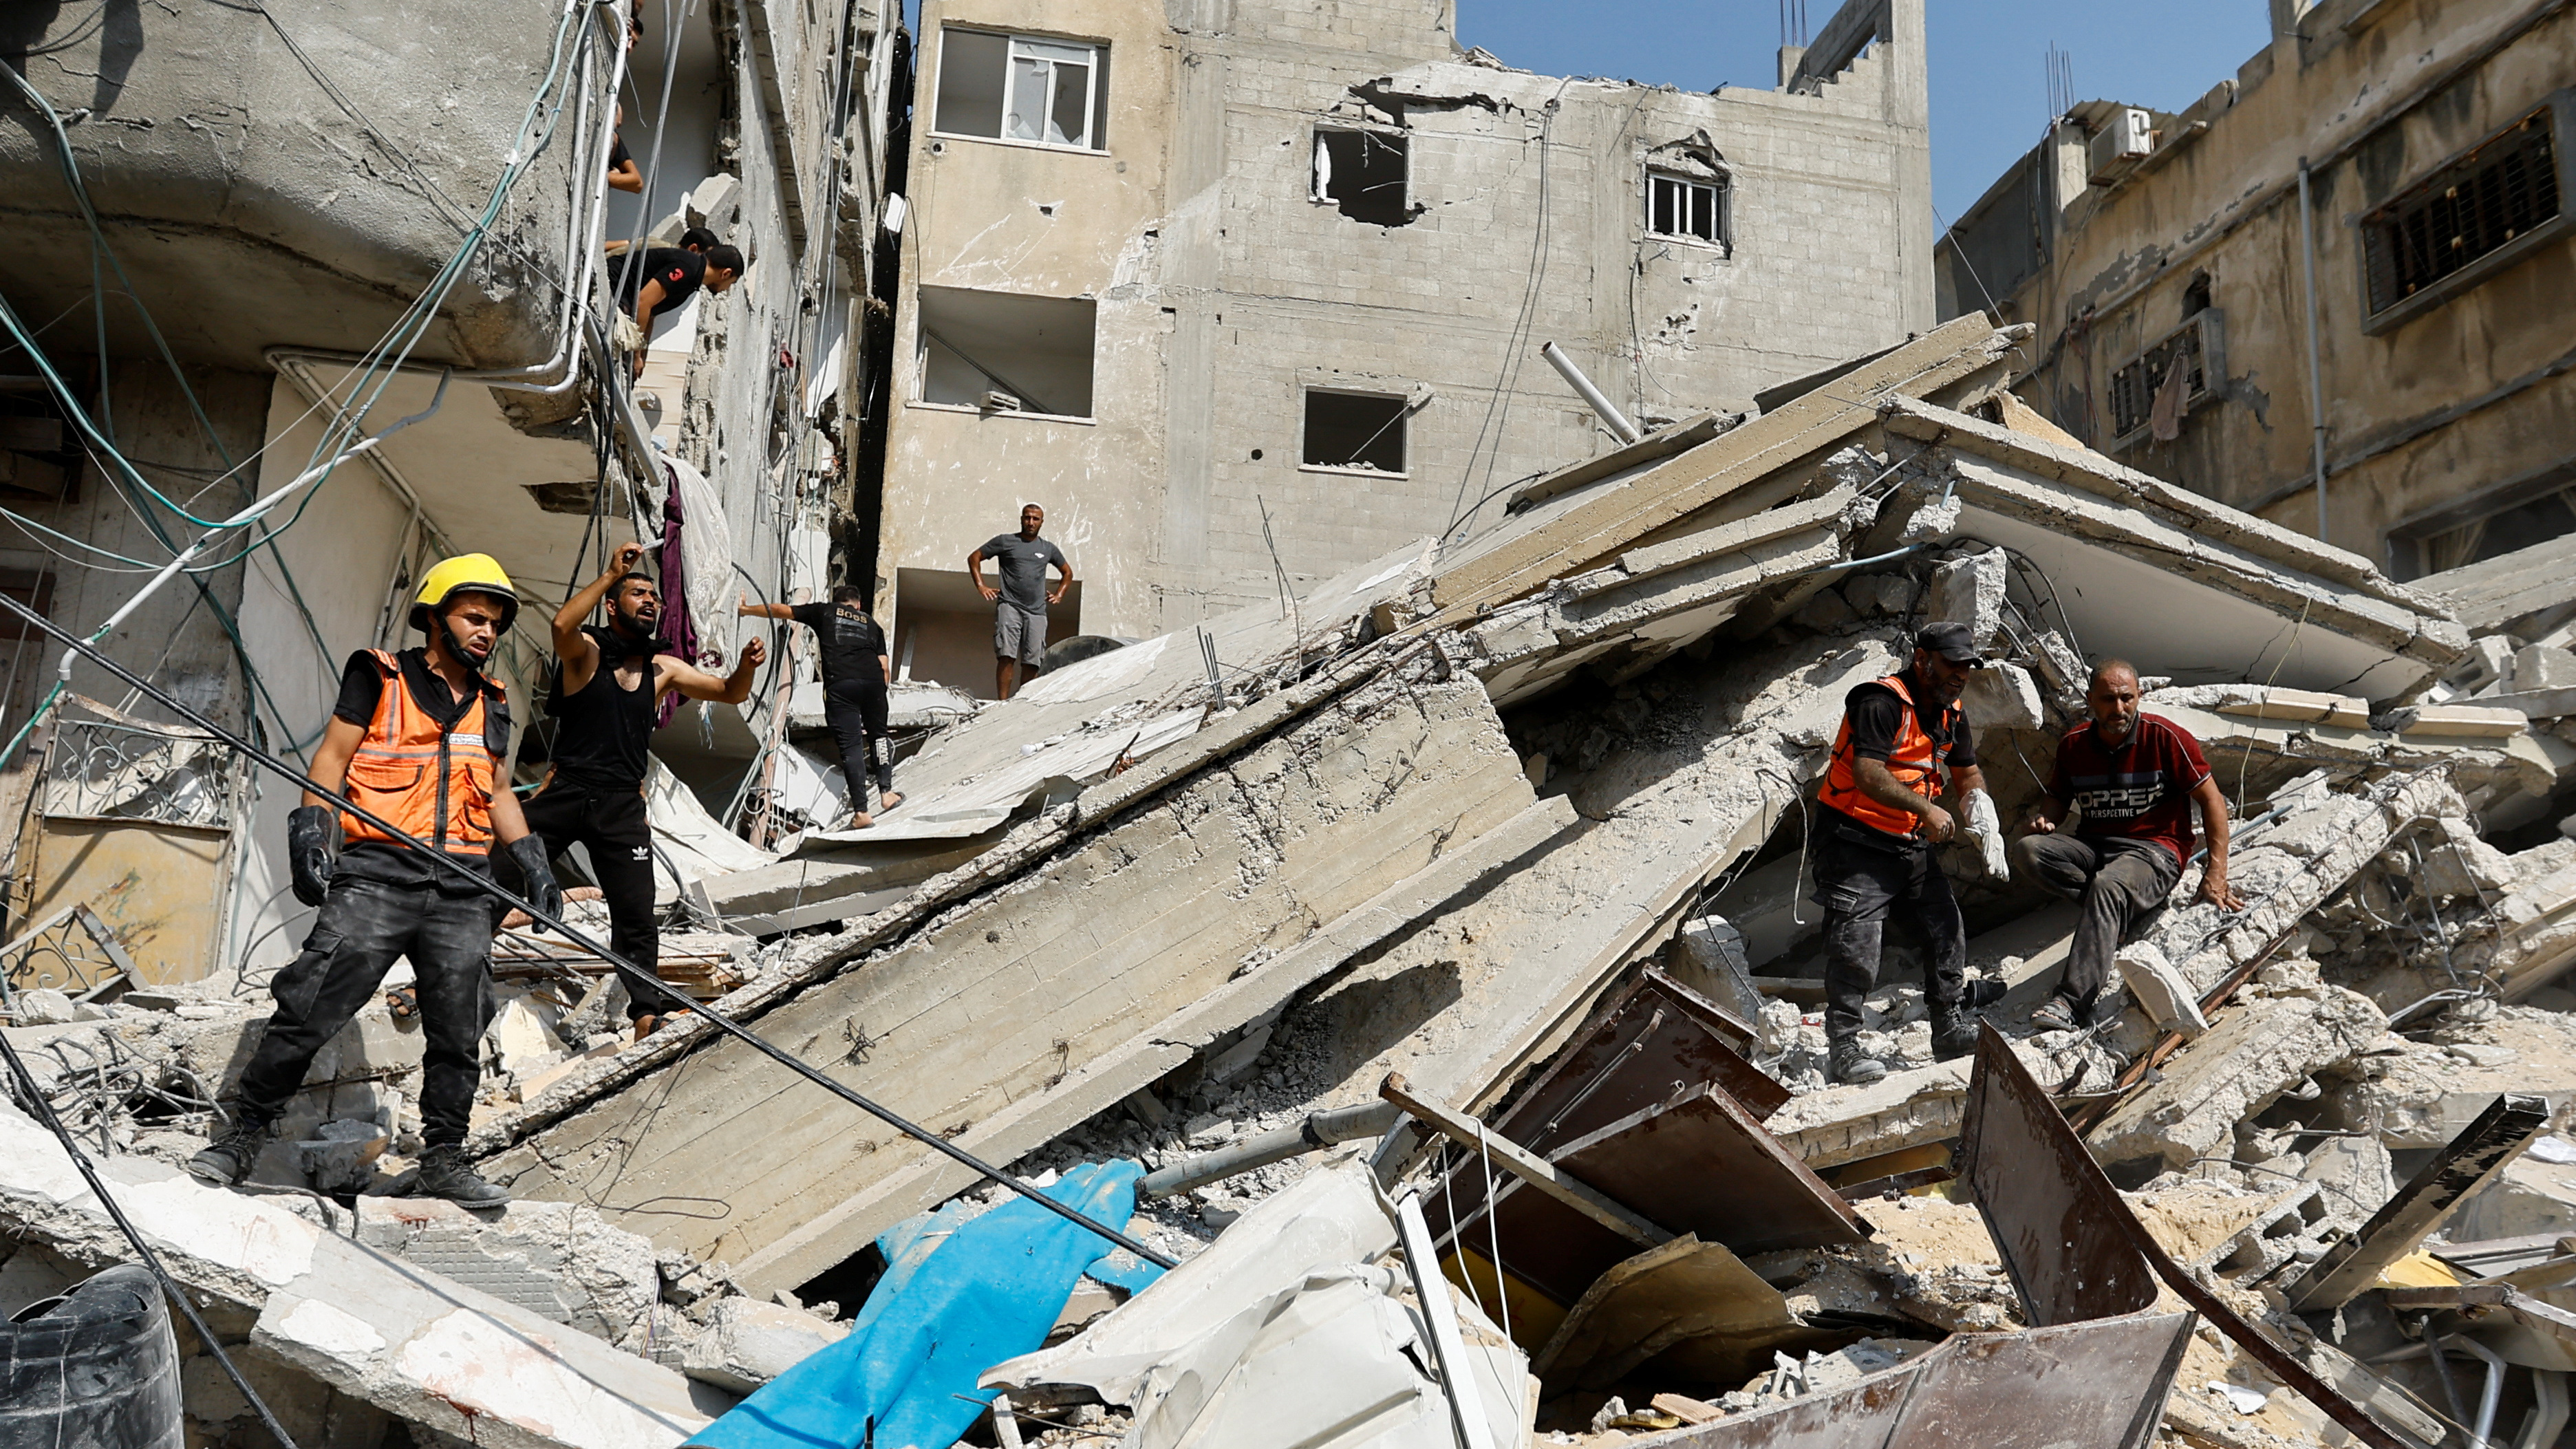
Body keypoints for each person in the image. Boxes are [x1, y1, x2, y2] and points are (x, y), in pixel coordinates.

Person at [189, 555, 562, 1206]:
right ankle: (241, 1137)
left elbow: (499, 789)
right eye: (475, 618)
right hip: (377, 877)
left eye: (495, 624)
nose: (488, 633)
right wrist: (313, 831)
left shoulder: (495, 702)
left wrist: (532, 860)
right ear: (435, 618)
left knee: (458, 1028)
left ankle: (445, 1157)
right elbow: (331, 760)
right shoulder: (379, 674)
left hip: (461, 887)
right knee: (309, 1008)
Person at [513, 541, 767, 1039]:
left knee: (636, 914)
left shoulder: (663, 669)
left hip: (622, 804)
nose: (652, 600)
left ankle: (645, 1013)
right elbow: (561, 628)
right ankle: (432, 968)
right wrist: (611, 573)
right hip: (565, 791)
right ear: (613, 605)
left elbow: (729, 693)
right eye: (638, 593)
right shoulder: (586, 654)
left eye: (655, 595)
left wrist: (747, 666)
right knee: (497, 877)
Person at [1810, 622, 2009, 1086]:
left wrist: (1981, 809)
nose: (1959, 676)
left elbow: (1967, 771)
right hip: (1854, 841)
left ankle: (1949, 1028)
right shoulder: (1880, 702)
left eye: (1966, 668)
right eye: (1951, 665)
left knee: (1946, 927)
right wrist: (1926, 809)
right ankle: (1844, 1051)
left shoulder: (1950, 712)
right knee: (1856, 947)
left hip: (1906, 842)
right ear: (1923, 660)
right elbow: (1868, 773)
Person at [2017, 659, 2244, 1032]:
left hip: (2154, 851)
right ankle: (2114, 916)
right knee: (2030, 851)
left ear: (2140, 696)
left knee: (2110, 885)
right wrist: (2048, 820)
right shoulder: (2074, 745)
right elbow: (2058, 796)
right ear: (2091, 700)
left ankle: (2072, 1002)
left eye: (2127, 698)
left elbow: (2212, 800)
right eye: (2108, 699)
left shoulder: (2166, 738)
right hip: (2096, 847)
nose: (2119, 709)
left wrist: (2216, 873)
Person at [740, 586, 903, 828]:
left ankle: (862, 813)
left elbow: (780, 610)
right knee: (879, 738)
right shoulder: (872, 625)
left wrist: (746, 610)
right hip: (874, 686)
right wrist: (878, 695)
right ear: (858, 605)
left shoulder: (824, 611)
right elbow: (885, 669)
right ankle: (887, 795)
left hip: (842, 686)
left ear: (836, 602)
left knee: (852, 746)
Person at [966, 503, 1072, 700]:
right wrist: (981, 586)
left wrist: (1059, 594)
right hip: (1010, 605)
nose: (1031, 522)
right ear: (1022, 518)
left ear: (1041, 522)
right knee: (1007, 654)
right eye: (1027, 517)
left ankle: (1021, 702)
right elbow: (975, 558)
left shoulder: (1048, 548)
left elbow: (1067, 573)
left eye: (1035, 519)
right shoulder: (1006, 541)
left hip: (1037, 611)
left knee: (1033, 661)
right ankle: (1003, 701)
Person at [622, 242, 744, 374]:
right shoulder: (688, 268)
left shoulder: (692, 278)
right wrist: (635, 356)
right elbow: (643, 302)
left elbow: (650, 314)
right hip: (615, 291)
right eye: (731, 283)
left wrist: (641, 357)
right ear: (726, 274)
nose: (727, 289)